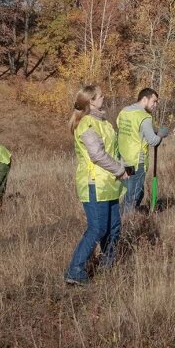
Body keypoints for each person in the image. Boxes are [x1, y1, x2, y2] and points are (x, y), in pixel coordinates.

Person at [65, 85, 128, 285]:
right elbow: (97, 155)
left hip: (109, 183)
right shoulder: (87, 124)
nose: (104, 97)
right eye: (100, 96)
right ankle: (75, 270)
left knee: (114, 227)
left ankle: (106, 266)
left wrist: (124, 166)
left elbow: (113, 150)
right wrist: (119, 170)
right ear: (91, 101)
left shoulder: (104, 123)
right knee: (97, 228)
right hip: (94, 184)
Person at [116, 88, 167, 215]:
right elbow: (153, 141)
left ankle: (126, 215)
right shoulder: (144, 117)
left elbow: (129, 131)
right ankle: (126, 221)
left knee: (131, 191)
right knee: (134, 194)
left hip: (123, 159)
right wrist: (161, 134)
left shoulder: (124, 112)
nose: (155, 105)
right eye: (153, 101)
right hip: (137, 161)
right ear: (144, 99)